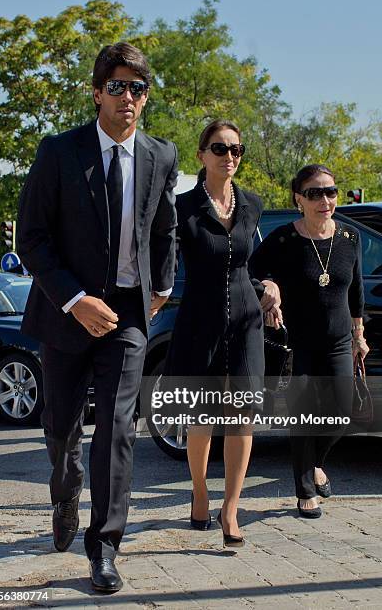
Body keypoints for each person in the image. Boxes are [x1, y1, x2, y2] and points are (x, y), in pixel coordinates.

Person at [17, 42, 178, 591]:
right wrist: (74, 299)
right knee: (62, 429)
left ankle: (104, 546)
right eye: (118, 86)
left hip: (129, 316)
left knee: (116, 427)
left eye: (138, 88)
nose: (128, 97)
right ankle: (65, 493)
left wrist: (162, 285)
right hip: (66, 314)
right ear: (97, 92)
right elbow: (33, 239)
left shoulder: (160, 156)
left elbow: (165, 227)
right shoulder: (59, 152)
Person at [163, 119, 281, 547]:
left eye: (236, 149)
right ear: (201, 155)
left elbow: (256, 262)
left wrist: (270, 285)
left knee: (242, 416)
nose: (229, 155)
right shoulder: (181, 207)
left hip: (246, 320)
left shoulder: (252, 203)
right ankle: (199, 492)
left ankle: (231, 509)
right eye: (219, 148)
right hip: (199, 318)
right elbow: (162, 260)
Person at [250, 164, 369, 518]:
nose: (325, 200)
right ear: (299, 198)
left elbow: (357, 292)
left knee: (342, 413)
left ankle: (315, 463)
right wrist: (268, 286)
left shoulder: (349, 238)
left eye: (330, 191)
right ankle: (305, 490)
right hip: (296, 344)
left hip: (337, 342)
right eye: (315, 193)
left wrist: (359, 336)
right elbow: (249, 270)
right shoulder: (285, 239)